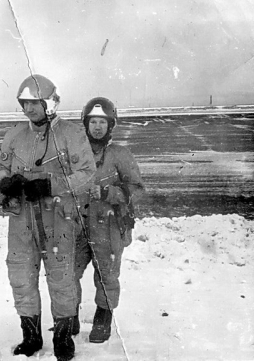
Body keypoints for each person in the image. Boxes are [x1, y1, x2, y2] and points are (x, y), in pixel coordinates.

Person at [0, 74, 96, 361]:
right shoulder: (14, 135)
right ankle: (31, 336)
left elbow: (87, 175)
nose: (30, 109)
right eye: (25, 103)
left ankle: (63, 337)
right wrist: (4, 182)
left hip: (57, 220)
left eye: (35, 103)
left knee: (61, 279)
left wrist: (52, 185)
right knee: (21, 277)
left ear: (49, 103)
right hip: (22, 219)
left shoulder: (72, 135)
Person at [75, 97, 145, 343]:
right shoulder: (75, 154)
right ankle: (69, 317)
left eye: (102, 122)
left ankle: (103, 319)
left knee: (106, 275)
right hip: (78, 224)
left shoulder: (120, 154)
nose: (97, 127)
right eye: (92, 121)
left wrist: (109, 193)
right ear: (85, 124)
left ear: (110, 125)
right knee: (67, 272)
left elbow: (136, 188)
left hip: (109, 227)